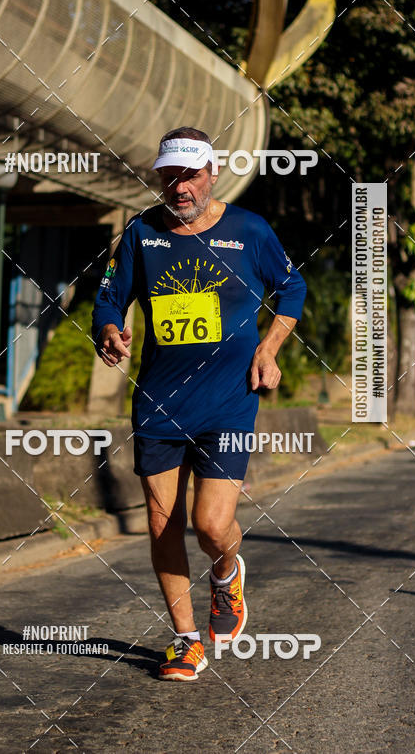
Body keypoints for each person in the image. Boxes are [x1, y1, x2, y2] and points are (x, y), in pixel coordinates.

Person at [91, 127, 306, 681]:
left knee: (211, 525)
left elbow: (293, 288)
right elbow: (109, 296)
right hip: (159, 403)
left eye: (190, 175)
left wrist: (268, 347)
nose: (180, 187)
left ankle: (226, 573)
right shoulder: (142, 232)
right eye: (169, 176)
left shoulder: (249, 230)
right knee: (164, 527)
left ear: (212, 173)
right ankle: (186, 641)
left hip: (230, 401)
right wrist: (110, 329)